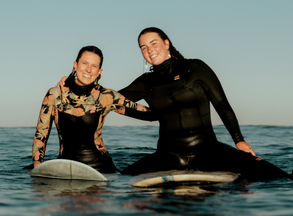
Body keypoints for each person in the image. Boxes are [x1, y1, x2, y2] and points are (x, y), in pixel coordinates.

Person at [117, 27, 291, 181]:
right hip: (168, 155)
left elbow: (222, 105)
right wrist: (125, 109)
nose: (149, 50)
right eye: (143, 47)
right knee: (120, 179)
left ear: (166, 43)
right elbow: (112, 101)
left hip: (207, 150)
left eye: (153, 43)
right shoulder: (146, 82)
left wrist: (239, 140)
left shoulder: (194, 68)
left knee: (278, 177)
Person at [32, 46, 155, 173]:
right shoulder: (55, 95)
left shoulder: (106, 97)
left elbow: (150, 114)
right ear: (75, 65)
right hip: (66, 167)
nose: (89, 70)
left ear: (99, 71)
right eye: (84, 63)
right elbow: (41, 136)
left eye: (94, 66)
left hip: (100, 170)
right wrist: (37, 167)